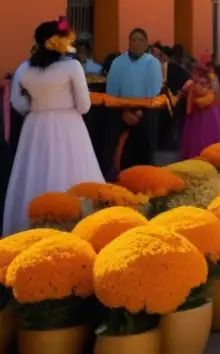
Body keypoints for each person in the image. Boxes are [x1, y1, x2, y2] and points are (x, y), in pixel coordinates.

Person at [4, 19, 103, 234]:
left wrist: (37, 107)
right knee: (72, 170)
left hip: (35, 125)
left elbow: (16, 102)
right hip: (69, 125)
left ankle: (31, 224)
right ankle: (78, 225)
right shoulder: (72, 66)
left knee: (34, 171)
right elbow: (84, 105)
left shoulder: (24, 68)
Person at [106, 28, 164, 171]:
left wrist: (139, 111)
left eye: (141, 40)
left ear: (146, 44)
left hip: (146, 110)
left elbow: (155, 90)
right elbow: (112, 91)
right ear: (129, 43)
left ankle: (146, 174)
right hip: (121, 110)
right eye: (134, 40)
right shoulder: (118, 62)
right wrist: (124, 112)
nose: (137, 43)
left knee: (146, 140)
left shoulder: (153, 63)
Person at [178, 52, 220, 160]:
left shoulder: (194, 79)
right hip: (209, 110)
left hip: (199, 110)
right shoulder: (211, 78)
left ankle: (198, 157)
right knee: (209, 134)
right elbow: (218, 95)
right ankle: (211, 157)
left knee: (198, 134)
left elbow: (184, 92)